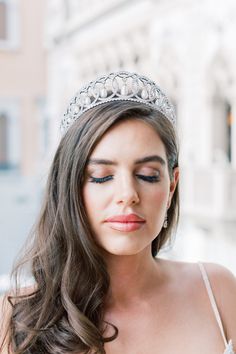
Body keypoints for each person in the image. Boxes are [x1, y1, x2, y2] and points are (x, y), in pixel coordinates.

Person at [0, 71, 235, 354]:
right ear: (70, 187)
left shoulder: (218, 292)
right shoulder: (19, 317)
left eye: (148, 175)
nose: (128, 195)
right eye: (100, 176)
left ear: (172, 186)